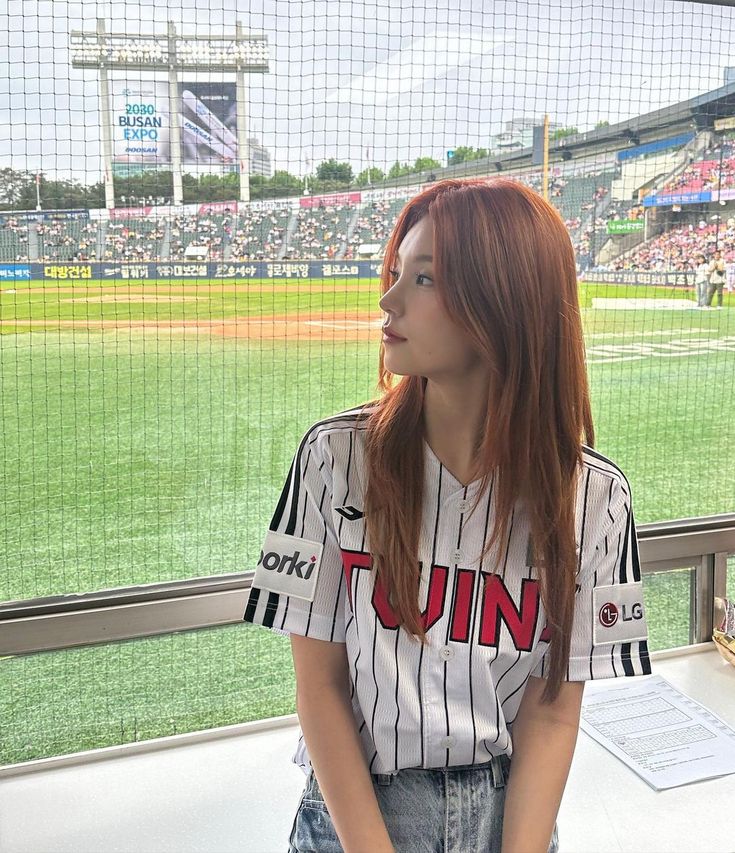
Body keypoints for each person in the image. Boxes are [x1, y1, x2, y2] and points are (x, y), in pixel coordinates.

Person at [243, 178, 652, 853]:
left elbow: (551, 713)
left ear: (503, 299)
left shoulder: (595, 496)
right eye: (396, 270)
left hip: (508, 816)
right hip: (355, 817)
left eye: (424, 277)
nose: (388, 298)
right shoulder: (334, 456)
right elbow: (320, 688)